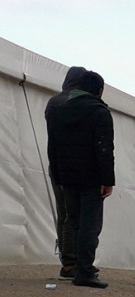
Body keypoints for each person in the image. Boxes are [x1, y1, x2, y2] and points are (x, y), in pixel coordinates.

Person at [44, 70, 114, 289]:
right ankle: (85, 271)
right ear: (99, 90)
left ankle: (72, 265)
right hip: (91, 177)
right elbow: (104, 149)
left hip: (66, 176)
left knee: (73, 222)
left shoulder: (56, 107)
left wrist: (58, 175)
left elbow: (52, 147)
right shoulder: (99, 111)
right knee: (90, 225)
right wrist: (108, 180)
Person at [44, 65, 87, 279]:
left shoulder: (53, 102)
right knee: (74, 214)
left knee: (64, 213)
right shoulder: (78, 103)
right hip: (74, 167)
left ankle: (67, 261)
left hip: (56, 165)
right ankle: (72, 262)